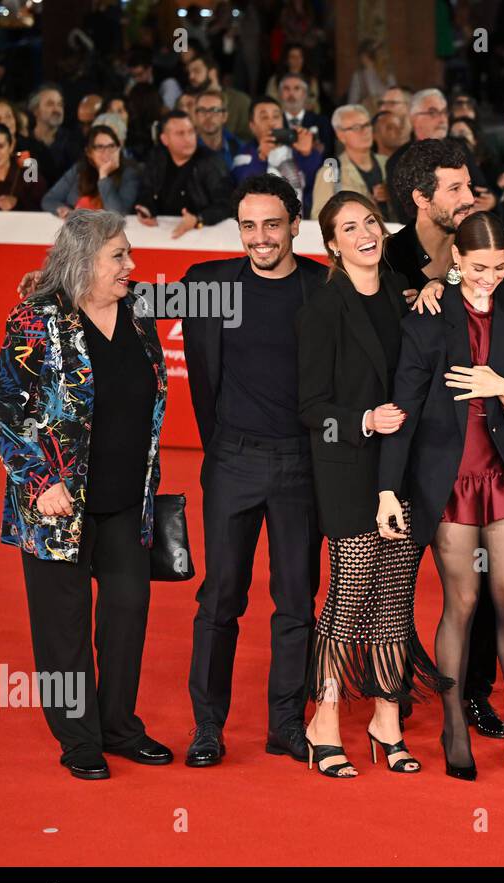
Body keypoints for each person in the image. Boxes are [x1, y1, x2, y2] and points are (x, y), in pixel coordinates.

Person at [377, 212, 504, 779]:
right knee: (461, 601)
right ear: (456, 262)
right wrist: (389, 487)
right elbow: (404, 407)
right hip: (450, 476)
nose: (491, 276)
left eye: (501, 265)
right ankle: (454, 722)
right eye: (480, 266)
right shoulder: (429, 315)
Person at [0, 209, 169, 780]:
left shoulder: (139, 313)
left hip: (124, 500)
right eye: (118, 256)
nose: (130, 265)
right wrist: (41, 482)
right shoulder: (38, 318)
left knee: (127, 614)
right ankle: (79, 739)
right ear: (82, 260)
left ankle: (118, 726)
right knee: (63, 626)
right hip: (57, 506)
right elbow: (2, 404)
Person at [293, 191, 450, 778]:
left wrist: (438, 286)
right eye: (349, 228)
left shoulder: (397, 293)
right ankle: (324, 720)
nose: (365, 234)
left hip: (400, 467)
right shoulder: (322, 308)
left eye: (371, 223)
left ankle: (388, 719)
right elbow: (310, 407)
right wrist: (362, 419)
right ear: (332, 244)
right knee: (351, 595)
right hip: (346, 469)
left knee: (395, 598)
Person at [181, 175, 327, 768]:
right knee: (220, 598)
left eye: (272, 224)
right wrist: (58, 286)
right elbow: (120, 296)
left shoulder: (326, 288)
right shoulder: (211, 286)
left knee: (297, 600)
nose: (260, 237)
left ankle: (287, 723)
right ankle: (207, 727)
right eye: (248, 225)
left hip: (302, 463)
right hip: (232, 459)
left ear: (295, 224)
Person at [382, 139, 504, 739]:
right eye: (455, 189)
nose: (469, 197)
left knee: (482, 584)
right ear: (420, 198)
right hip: (400, 447)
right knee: (394, 579)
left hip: (475, 456)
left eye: (470, 184)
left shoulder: (484, 255)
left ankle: (475, 693)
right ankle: (394, 694)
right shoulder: (384, 260)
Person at [135, 111, 233, 237]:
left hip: (205, 237)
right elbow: (146, 191)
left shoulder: (211, 162)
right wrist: (146, 209)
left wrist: (199, 219)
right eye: (180, 134)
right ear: (165, 139)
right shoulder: (156, 159)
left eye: (191, 132)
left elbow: (226, 204)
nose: (188, 138)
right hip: (162, 236)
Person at [233, 98, 324, 216]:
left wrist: (308, 155)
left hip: (300, 223)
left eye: (276, 117)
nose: (272, 123)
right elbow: (245, 188)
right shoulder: (244, 154)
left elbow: (317, 184)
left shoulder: (297, 149)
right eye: (264, 117)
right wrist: (261, 158)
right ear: (252, 126)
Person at [308, 104, 388, 221]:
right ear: (340, 135)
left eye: (367, 125)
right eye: (356, 128)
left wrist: (391, 194)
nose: (364, 131)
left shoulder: (387, 163)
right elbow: (318, 218)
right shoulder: (331, 172)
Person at [42, 124, 140, 217]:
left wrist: (103, 176)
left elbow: (117, 215)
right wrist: (61, 209)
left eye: (111, 146)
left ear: (118, 149)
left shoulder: (129, 174)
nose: (107, 152)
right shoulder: (79, 170)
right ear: (89, 152)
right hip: (76, 231)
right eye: (100, 147)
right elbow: (49, 200)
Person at [0, 123, 47, 212]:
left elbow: (42, 204)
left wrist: (17, 203)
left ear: (11, 146)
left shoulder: (29, 170)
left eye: (0, 146)